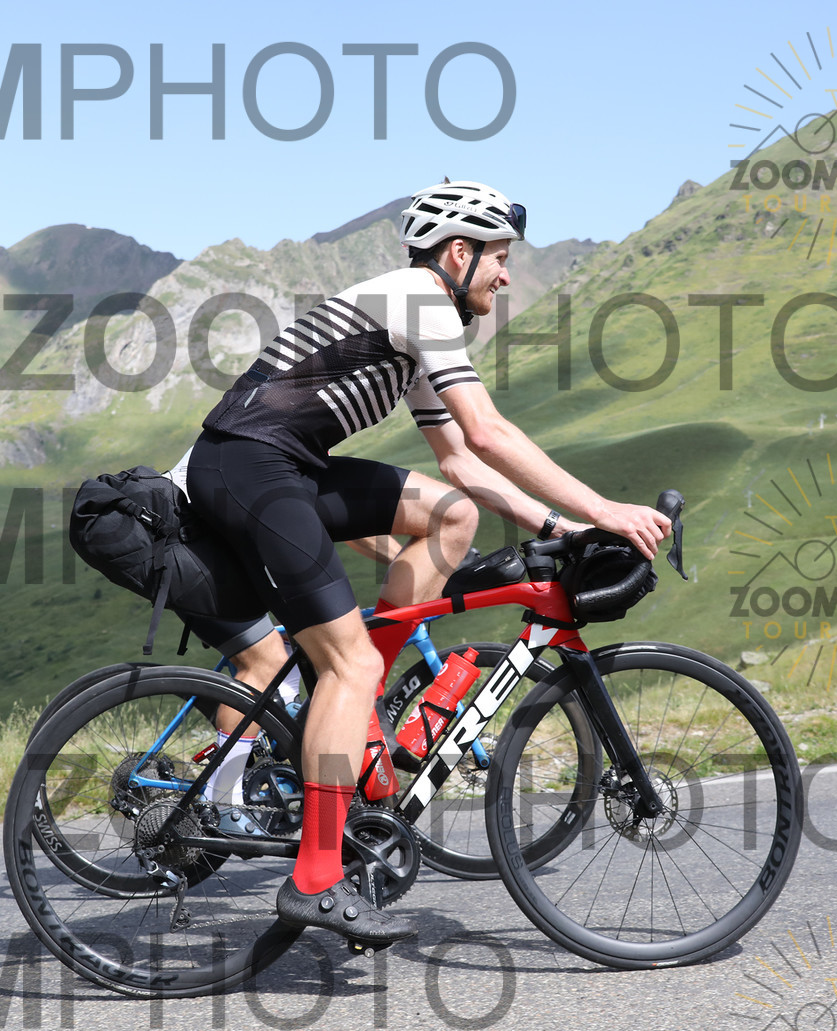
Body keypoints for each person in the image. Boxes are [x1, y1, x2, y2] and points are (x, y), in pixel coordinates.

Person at [184, 179, 670, 947]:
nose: (505, 276)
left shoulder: (413, 321)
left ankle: (361, 707)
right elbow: (488, 433)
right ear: (458, 252)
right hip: (249, 467)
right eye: (500, 258)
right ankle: (315, 876)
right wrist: (605, 511)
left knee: (451, 513)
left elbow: (460, 466)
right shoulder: (420, 300)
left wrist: (561, 526)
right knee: (346, 664)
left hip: (280, 467)